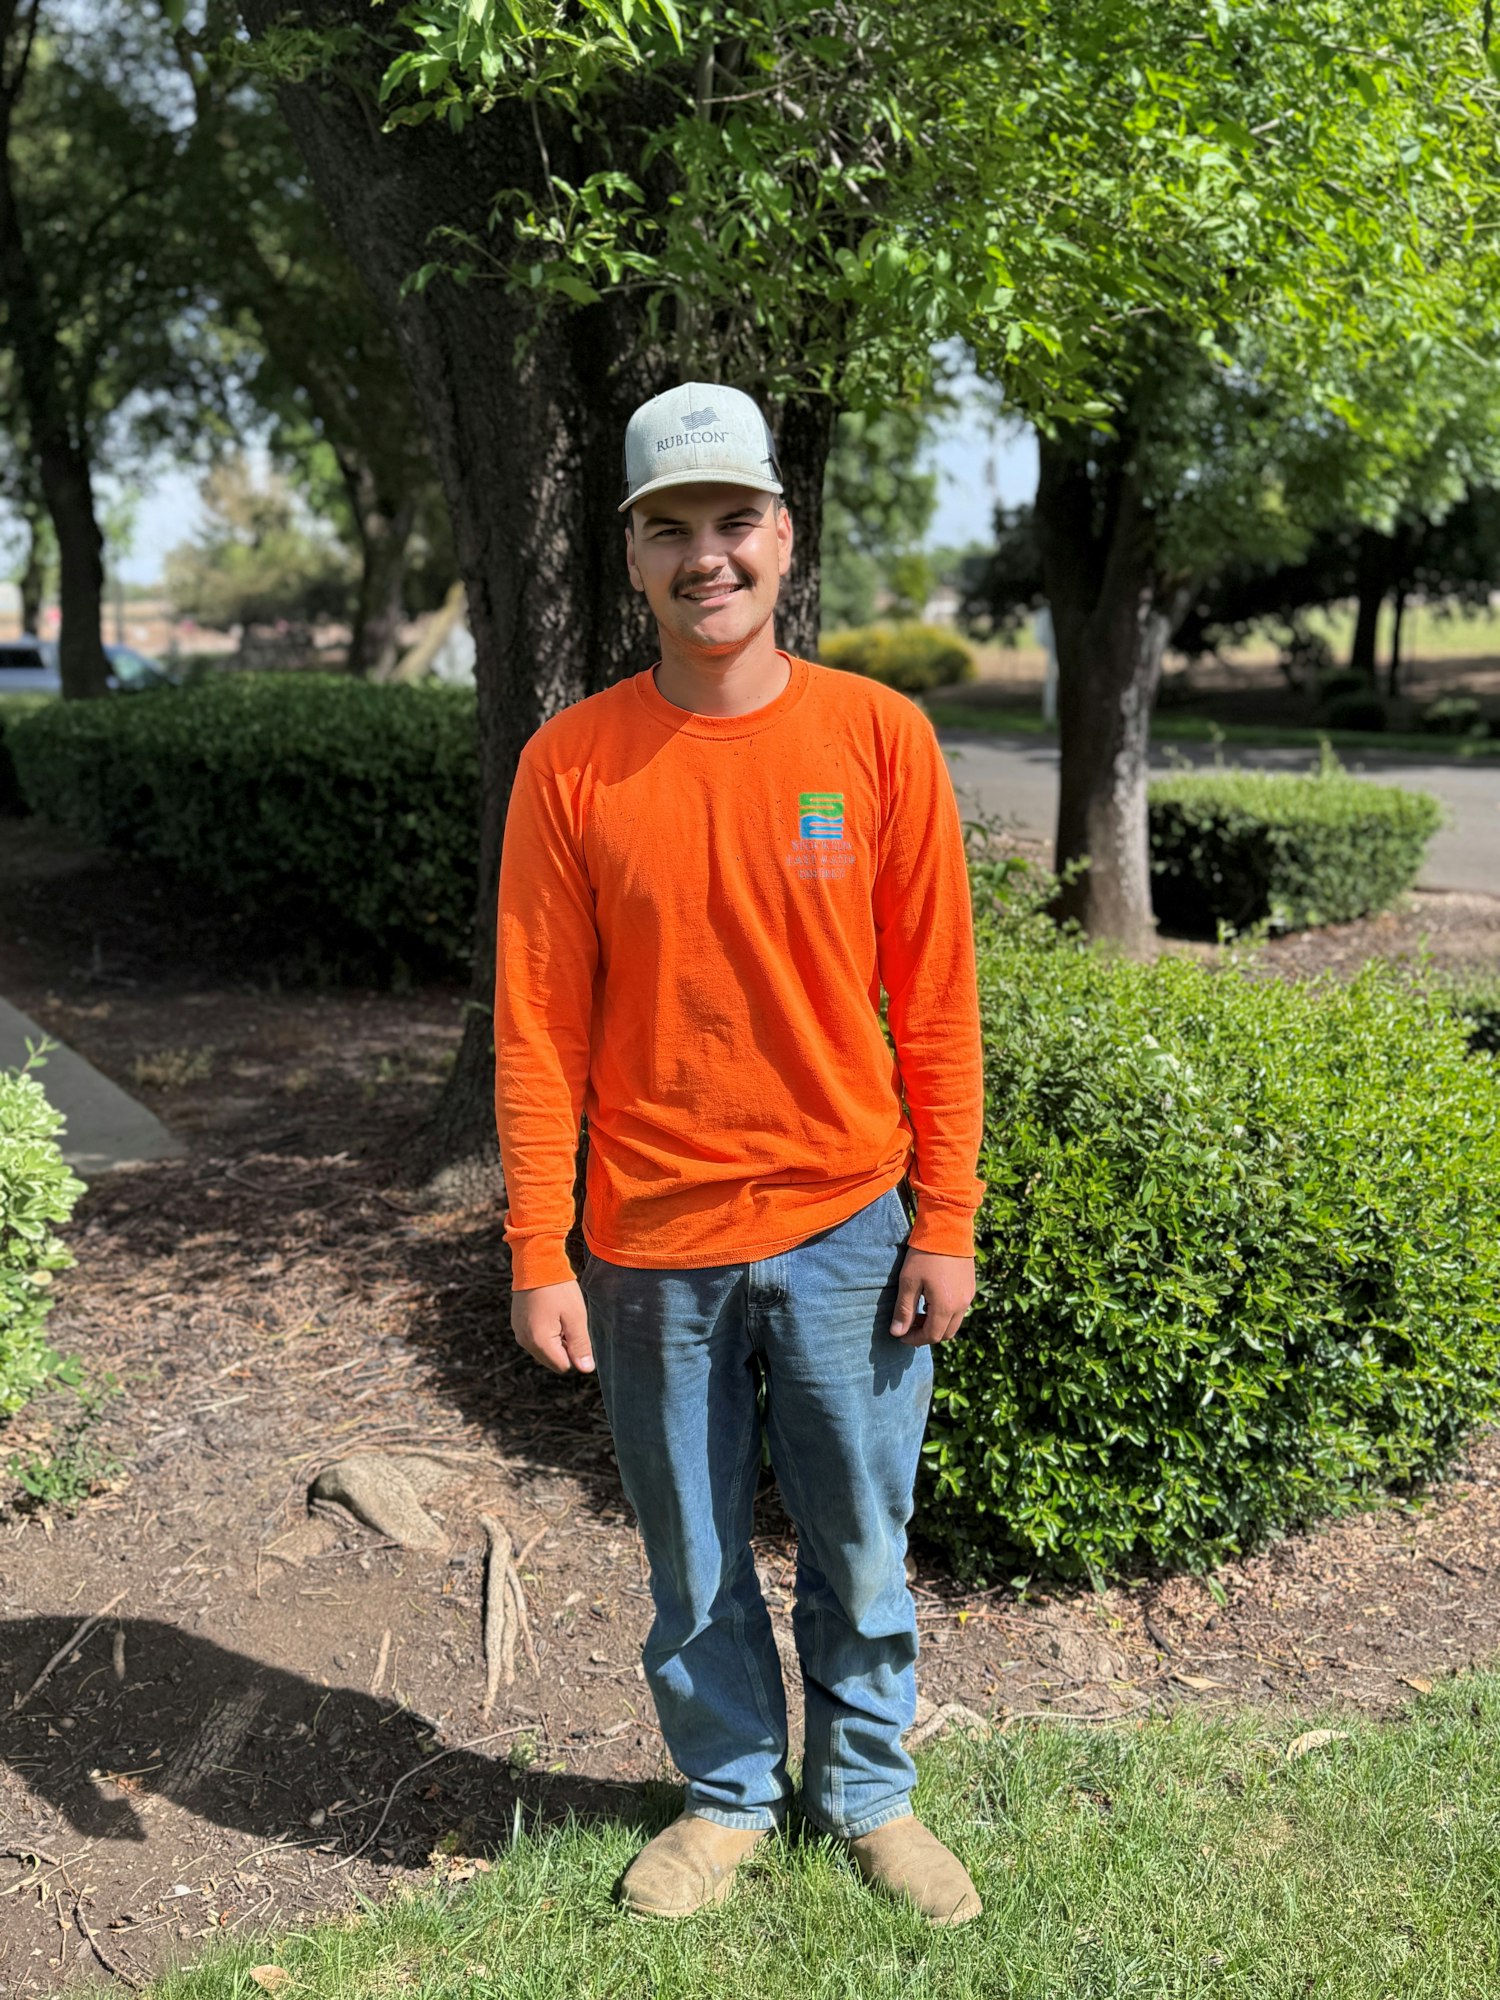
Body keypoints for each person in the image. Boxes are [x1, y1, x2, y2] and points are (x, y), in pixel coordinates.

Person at [493, 381, 986, 1925]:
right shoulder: (570, 766)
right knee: (692, 1548)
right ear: (631, 561)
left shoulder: (878, 738)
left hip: (849, 1216)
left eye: (731, 524)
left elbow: (941, 1000)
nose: (706, 556)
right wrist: (536, 1246)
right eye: (669, 531)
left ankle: (867, 1792)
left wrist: (946, 1217)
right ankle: (724, 1797)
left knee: (858, 1529)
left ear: (782, 537)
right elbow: (536, 1028)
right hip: (650, 1241)